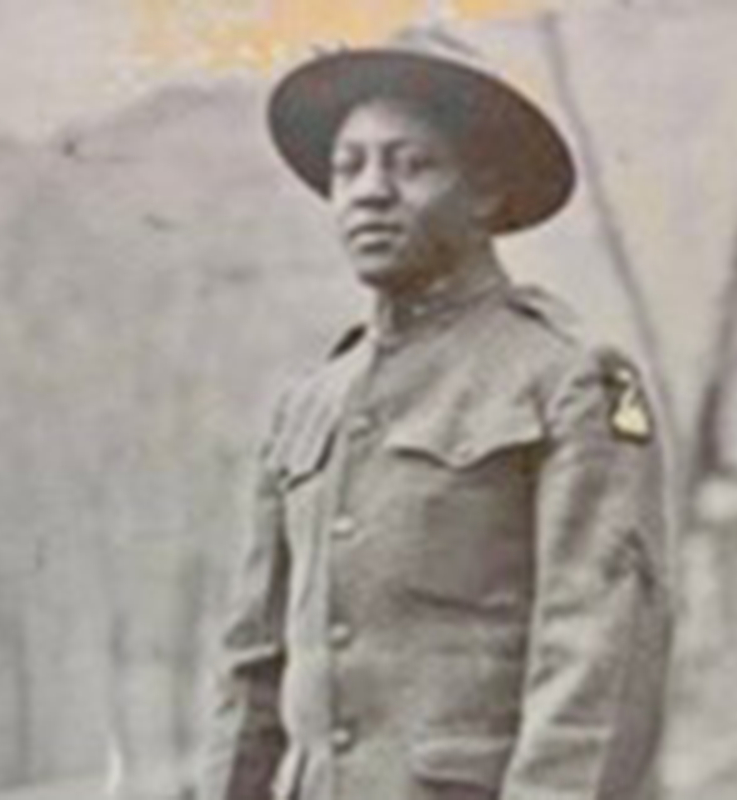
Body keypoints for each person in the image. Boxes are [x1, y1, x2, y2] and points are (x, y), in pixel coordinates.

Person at [200, 27, 672, 800]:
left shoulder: (571, 377)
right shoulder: (307, 404)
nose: (369, 190)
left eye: (412, 164)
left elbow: (598, 658)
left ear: (484, 192)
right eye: (348, 167)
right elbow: (252, 667)